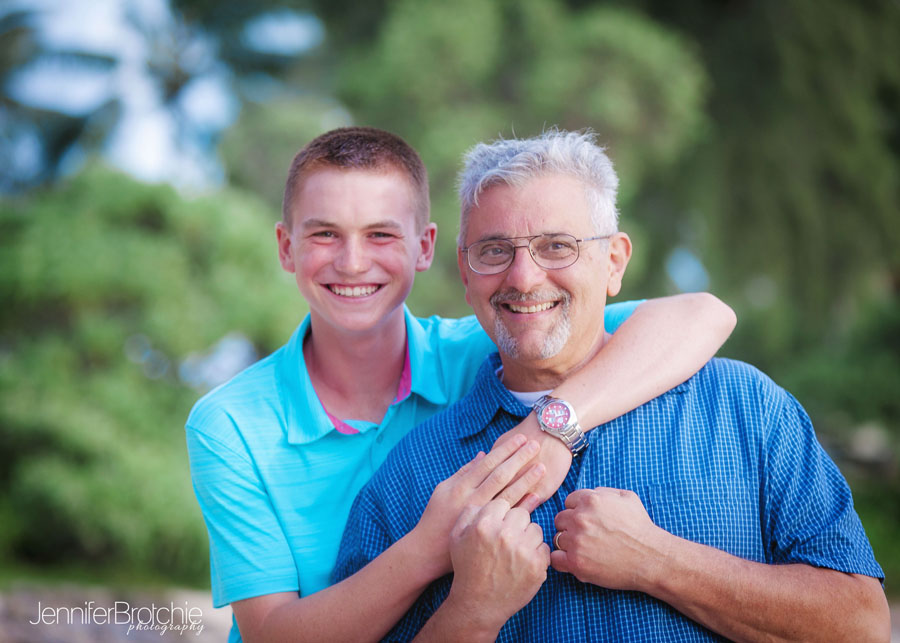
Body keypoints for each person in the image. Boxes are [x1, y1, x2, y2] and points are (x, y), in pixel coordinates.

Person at [334, 129, 890, 642]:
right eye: (494, 251)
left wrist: (658, 561)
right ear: (464, 270)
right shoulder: (413, 478)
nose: (524, 277)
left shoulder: (744, 409)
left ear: (615, 261)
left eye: (557, 246)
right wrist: (471, 611)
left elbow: (862, 625)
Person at [185, 127, 736, 643]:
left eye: (380, 234)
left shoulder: (488, 344)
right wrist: (431, 545)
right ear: (286, 247)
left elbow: (701, 315)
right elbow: (274, 635)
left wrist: (552, 425)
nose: (352, 262)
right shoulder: (230, 425)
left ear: (424, 248)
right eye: (325, 234)